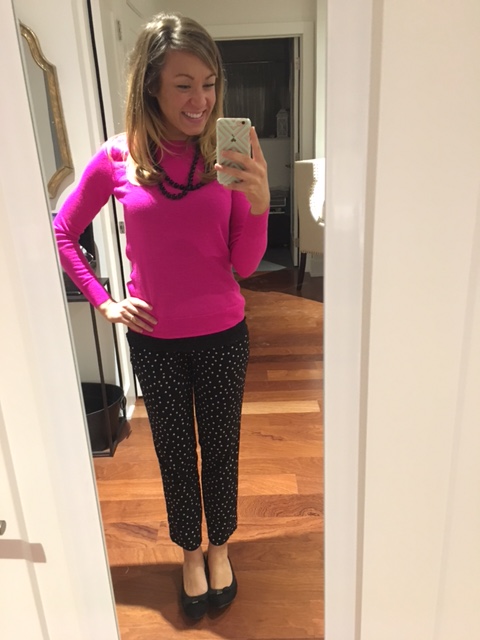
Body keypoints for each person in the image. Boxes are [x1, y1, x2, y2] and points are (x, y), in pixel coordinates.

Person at [53, 12, 269, 621]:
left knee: (220, 450)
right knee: (175, 456)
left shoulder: (228, 153)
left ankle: (220, 547)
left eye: (209, 83)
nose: (200, 100)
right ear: (151, 85)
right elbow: (63, 231)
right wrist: (103, 300)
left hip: (224, 334)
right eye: (183, 84)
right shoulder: (117, 157)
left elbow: (245, 264)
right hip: (155, 340)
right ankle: (189, 554)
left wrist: (258, 204)